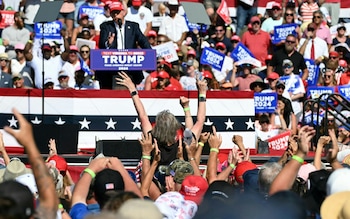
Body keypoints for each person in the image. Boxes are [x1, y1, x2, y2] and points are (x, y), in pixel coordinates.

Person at [98, 1, 151, 89]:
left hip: (130, 67)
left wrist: (150, 54)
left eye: (117, 12)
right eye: (113, 13)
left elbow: (143, 42)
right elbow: (102, 45)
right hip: (111, 68)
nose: (115, 15)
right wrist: (108, 43)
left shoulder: (133, 26)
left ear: (123, 12)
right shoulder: (106, 26)